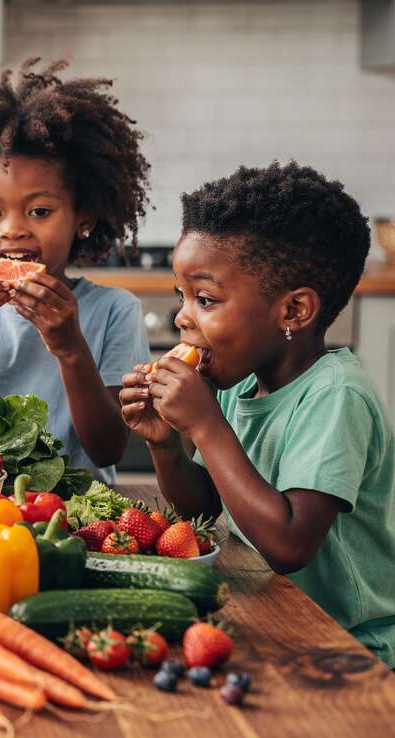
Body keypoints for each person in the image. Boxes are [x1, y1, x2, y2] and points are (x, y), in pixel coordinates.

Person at [121, 161, 395, 667]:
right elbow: (203, 508)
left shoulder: (336, 396)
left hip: (354, 645)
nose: (183, 316)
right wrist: (165, 442)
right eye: (181, 297)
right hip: (278, 614)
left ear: (293, 312)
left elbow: (289, 545)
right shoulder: (238, 380)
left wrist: (205, 424)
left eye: (205, 299)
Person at [0, 58, 151, 481]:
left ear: (84, 217)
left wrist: (71, 348)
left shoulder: (116, 310)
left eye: (39, 210)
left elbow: (107, 448)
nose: (13, 229)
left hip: (77, 514)